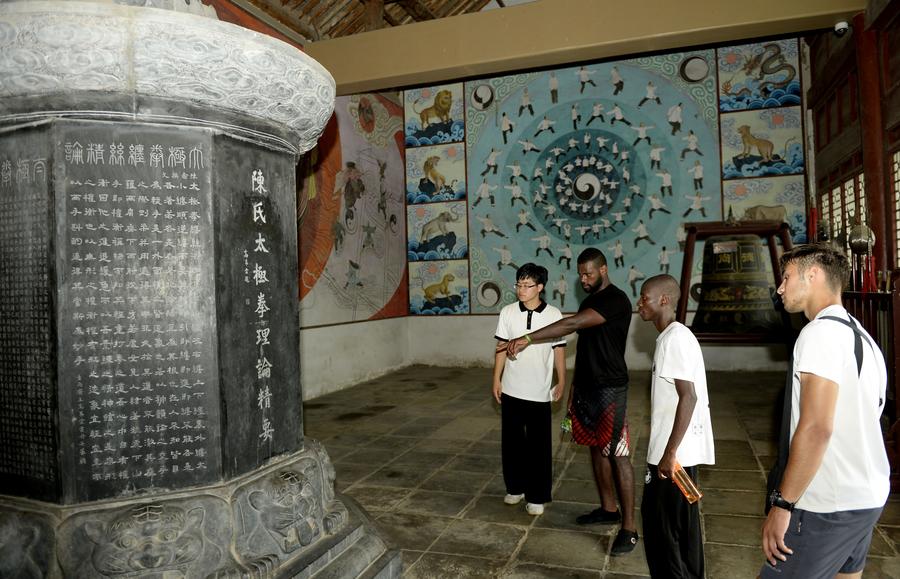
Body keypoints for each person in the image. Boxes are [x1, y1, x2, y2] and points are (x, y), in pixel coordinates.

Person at [760, 243, 889, 579]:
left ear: (813, 275)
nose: (781, 288)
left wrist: (783, 504)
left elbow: (817, 428)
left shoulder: (818, 334)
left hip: (827, 503)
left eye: (787, 277)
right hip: (867, 496)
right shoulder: (865, 339)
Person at [501, 248, 639, 556]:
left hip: (610, 388)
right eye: (580, 274)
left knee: (618, 453)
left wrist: (526, 338)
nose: (584, 279)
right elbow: (588, 347)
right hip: (588, 387)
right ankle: (608, 508)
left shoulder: (616, 300)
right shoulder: (590, 299)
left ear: (603, 270)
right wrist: (574, 387)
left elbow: (571, 325)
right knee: (595, 448)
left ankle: (629, 528)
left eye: (589, 273)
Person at [636, 275, 714, 579]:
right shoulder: (671, 337)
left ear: (664, 300)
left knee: (662, 533)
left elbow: (688, 396)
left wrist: (670, 454)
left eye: (645, 297)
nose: (640, 303)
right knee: (681, 531)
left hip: (673, 458)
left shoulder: (675, 339)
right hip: (676, 455)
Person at [493, 263, 567, 517]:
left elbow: (559, 350)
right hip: (512, 388)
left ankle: (537, 495)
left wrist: (562, 380)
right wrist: (496, 379)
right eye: (519, 284)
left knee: (539, 445)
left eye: (527, 285)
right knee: (512, 442)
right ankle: (515, 487)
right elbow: (501, 347)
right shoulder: (508, 312)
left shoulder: (554, 314)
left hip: (539, 391)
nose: (521, 290)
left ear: (540, 287)